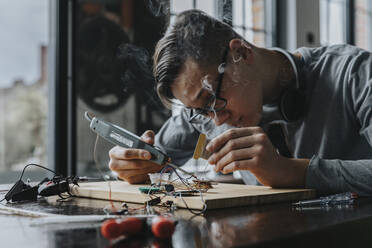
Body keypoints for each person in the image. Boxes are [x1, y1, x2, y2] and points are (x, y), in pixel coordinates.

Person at [108, 9, 372, 196]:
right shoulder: (204, 113)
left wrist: (293, 171)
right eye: (198, 110)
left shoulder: (353, 72)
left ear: (241, 53)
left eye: (212, 98)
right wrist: (137, 164)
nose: (217, 120)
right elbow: (156, 160)